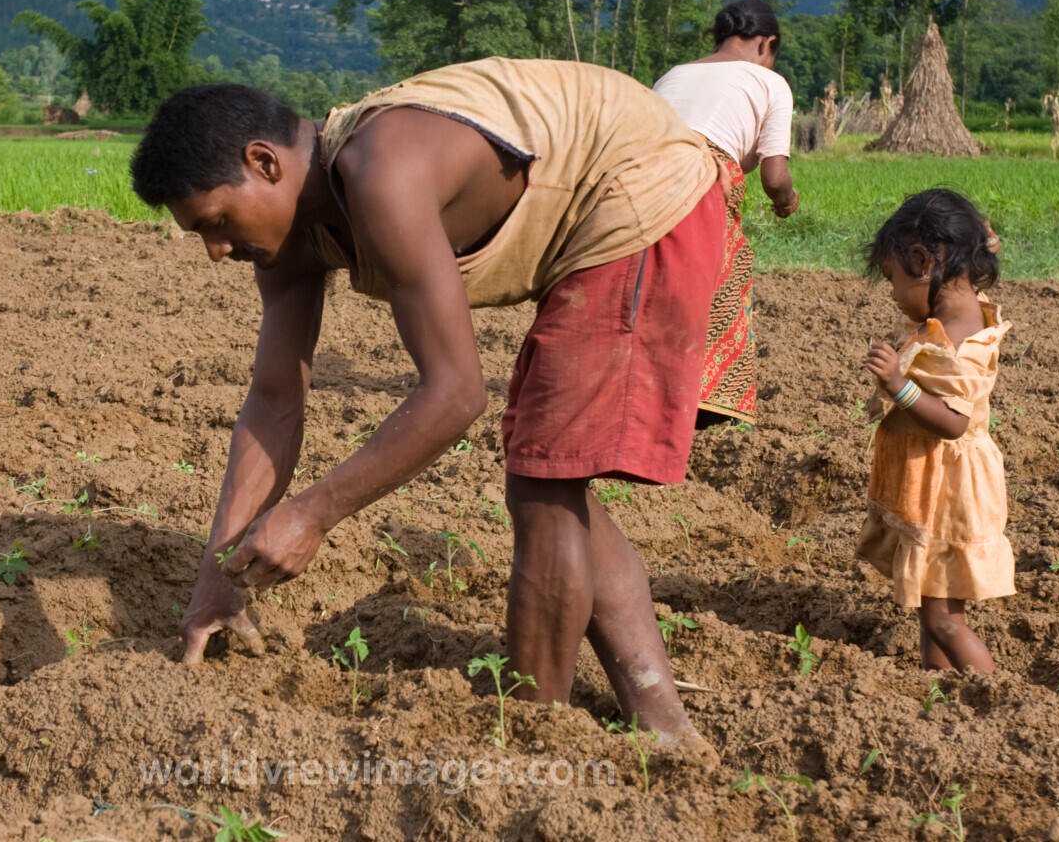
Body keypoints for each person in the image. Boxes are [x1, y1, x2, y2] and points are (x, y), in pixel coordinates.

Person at [130, 58, 728, 759]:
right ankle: (661, 721)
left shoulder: (383, 170)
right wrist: (216, 583)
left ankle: (531, 740)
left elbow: (454, 394)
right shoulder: (294, 239)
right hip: (598, 211)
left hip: (644, 190)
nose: (215, 250)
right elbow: (274, 398)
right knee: (548, 476)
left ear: (264, 163)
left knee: (542, 479)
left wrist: (312, 514)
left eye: (217, 221)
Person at [859, 189, 1013, 672]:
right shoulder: (957, 306)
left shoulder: (960, 343)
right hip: (937, 486)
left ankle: (990, 690)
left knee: (946, 620)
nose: (891, 291)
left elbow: (954, 422)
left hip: (950, 493)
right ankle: (937, 685)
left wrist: (898, 386)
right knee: (932, 610)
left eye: (892, 277)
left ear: (924, 261)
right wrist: (979, 235)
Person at [652, 0, 798, 425]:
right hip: (701, 179)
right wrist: (786, 202)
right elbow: (774, 176)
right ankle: (711, 412)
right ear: (766, 44)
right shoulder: (770, 82)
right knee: (725, 282)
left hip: (638, 174)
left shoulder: (673, 75)